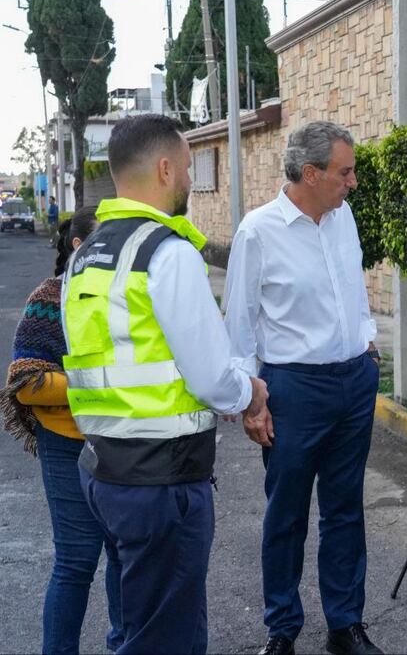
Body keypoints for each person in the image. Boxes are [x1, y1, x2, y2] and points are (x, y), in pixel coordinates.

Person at [60, 114, 270, 655]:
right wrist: (250, 393)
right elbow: (209, 373)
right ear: (163, 168)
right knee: (166, 639)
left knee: (135, 623)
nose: (185, 181)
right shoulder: (166, 253)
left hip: (104, 473)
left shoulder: (85, 255)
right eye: (184, 167)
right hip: (161, 482)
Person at [224, 121, 383, 655]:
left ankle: (345, 624)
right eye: (345, 172)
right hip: (294, 389)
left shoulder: (343, 218)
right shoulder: (257, 231)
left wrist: (368, 343)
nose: (353, 183)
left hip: (353, 383)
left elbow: (353, 289)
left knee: (345, 509)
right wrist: (251, 399)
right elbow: (240, 323)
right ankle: (282, 629)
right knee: (287, 513)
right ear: (310, 174)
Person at [0, 207, 123, 655]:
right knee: (76, 562)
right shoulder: (49, 298)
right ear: (79, 247)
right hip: (67, 445)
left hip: (126, 442)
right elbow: (26, 382)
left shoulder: (128, 296)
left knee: (125, 558)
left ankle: (124, 645)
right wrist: (101, 385)